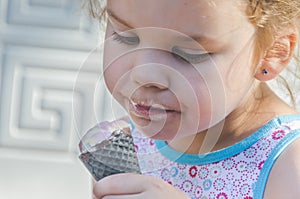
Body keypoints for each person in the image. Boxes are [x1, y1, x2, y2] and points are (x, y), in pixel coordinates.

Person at [84, 0, 300, 198]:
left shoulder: (288, 163)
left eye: (188, 53)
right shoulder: (127, 143)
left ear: (273, 52)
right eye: (126, 36)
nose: (144, 74)